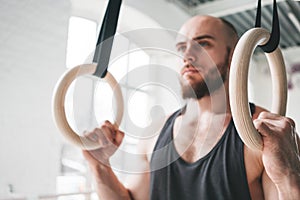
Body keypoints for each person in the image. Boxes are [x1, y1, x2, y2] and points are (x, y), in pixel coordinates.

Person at [82, 15, 300, 200]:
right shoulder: (156, 132)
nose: (187, 56)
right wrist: (99, 166)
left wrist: (288, 175)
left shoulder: (264, 133)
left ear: (234, 54)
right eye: (181, 47)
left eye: (203, 43)